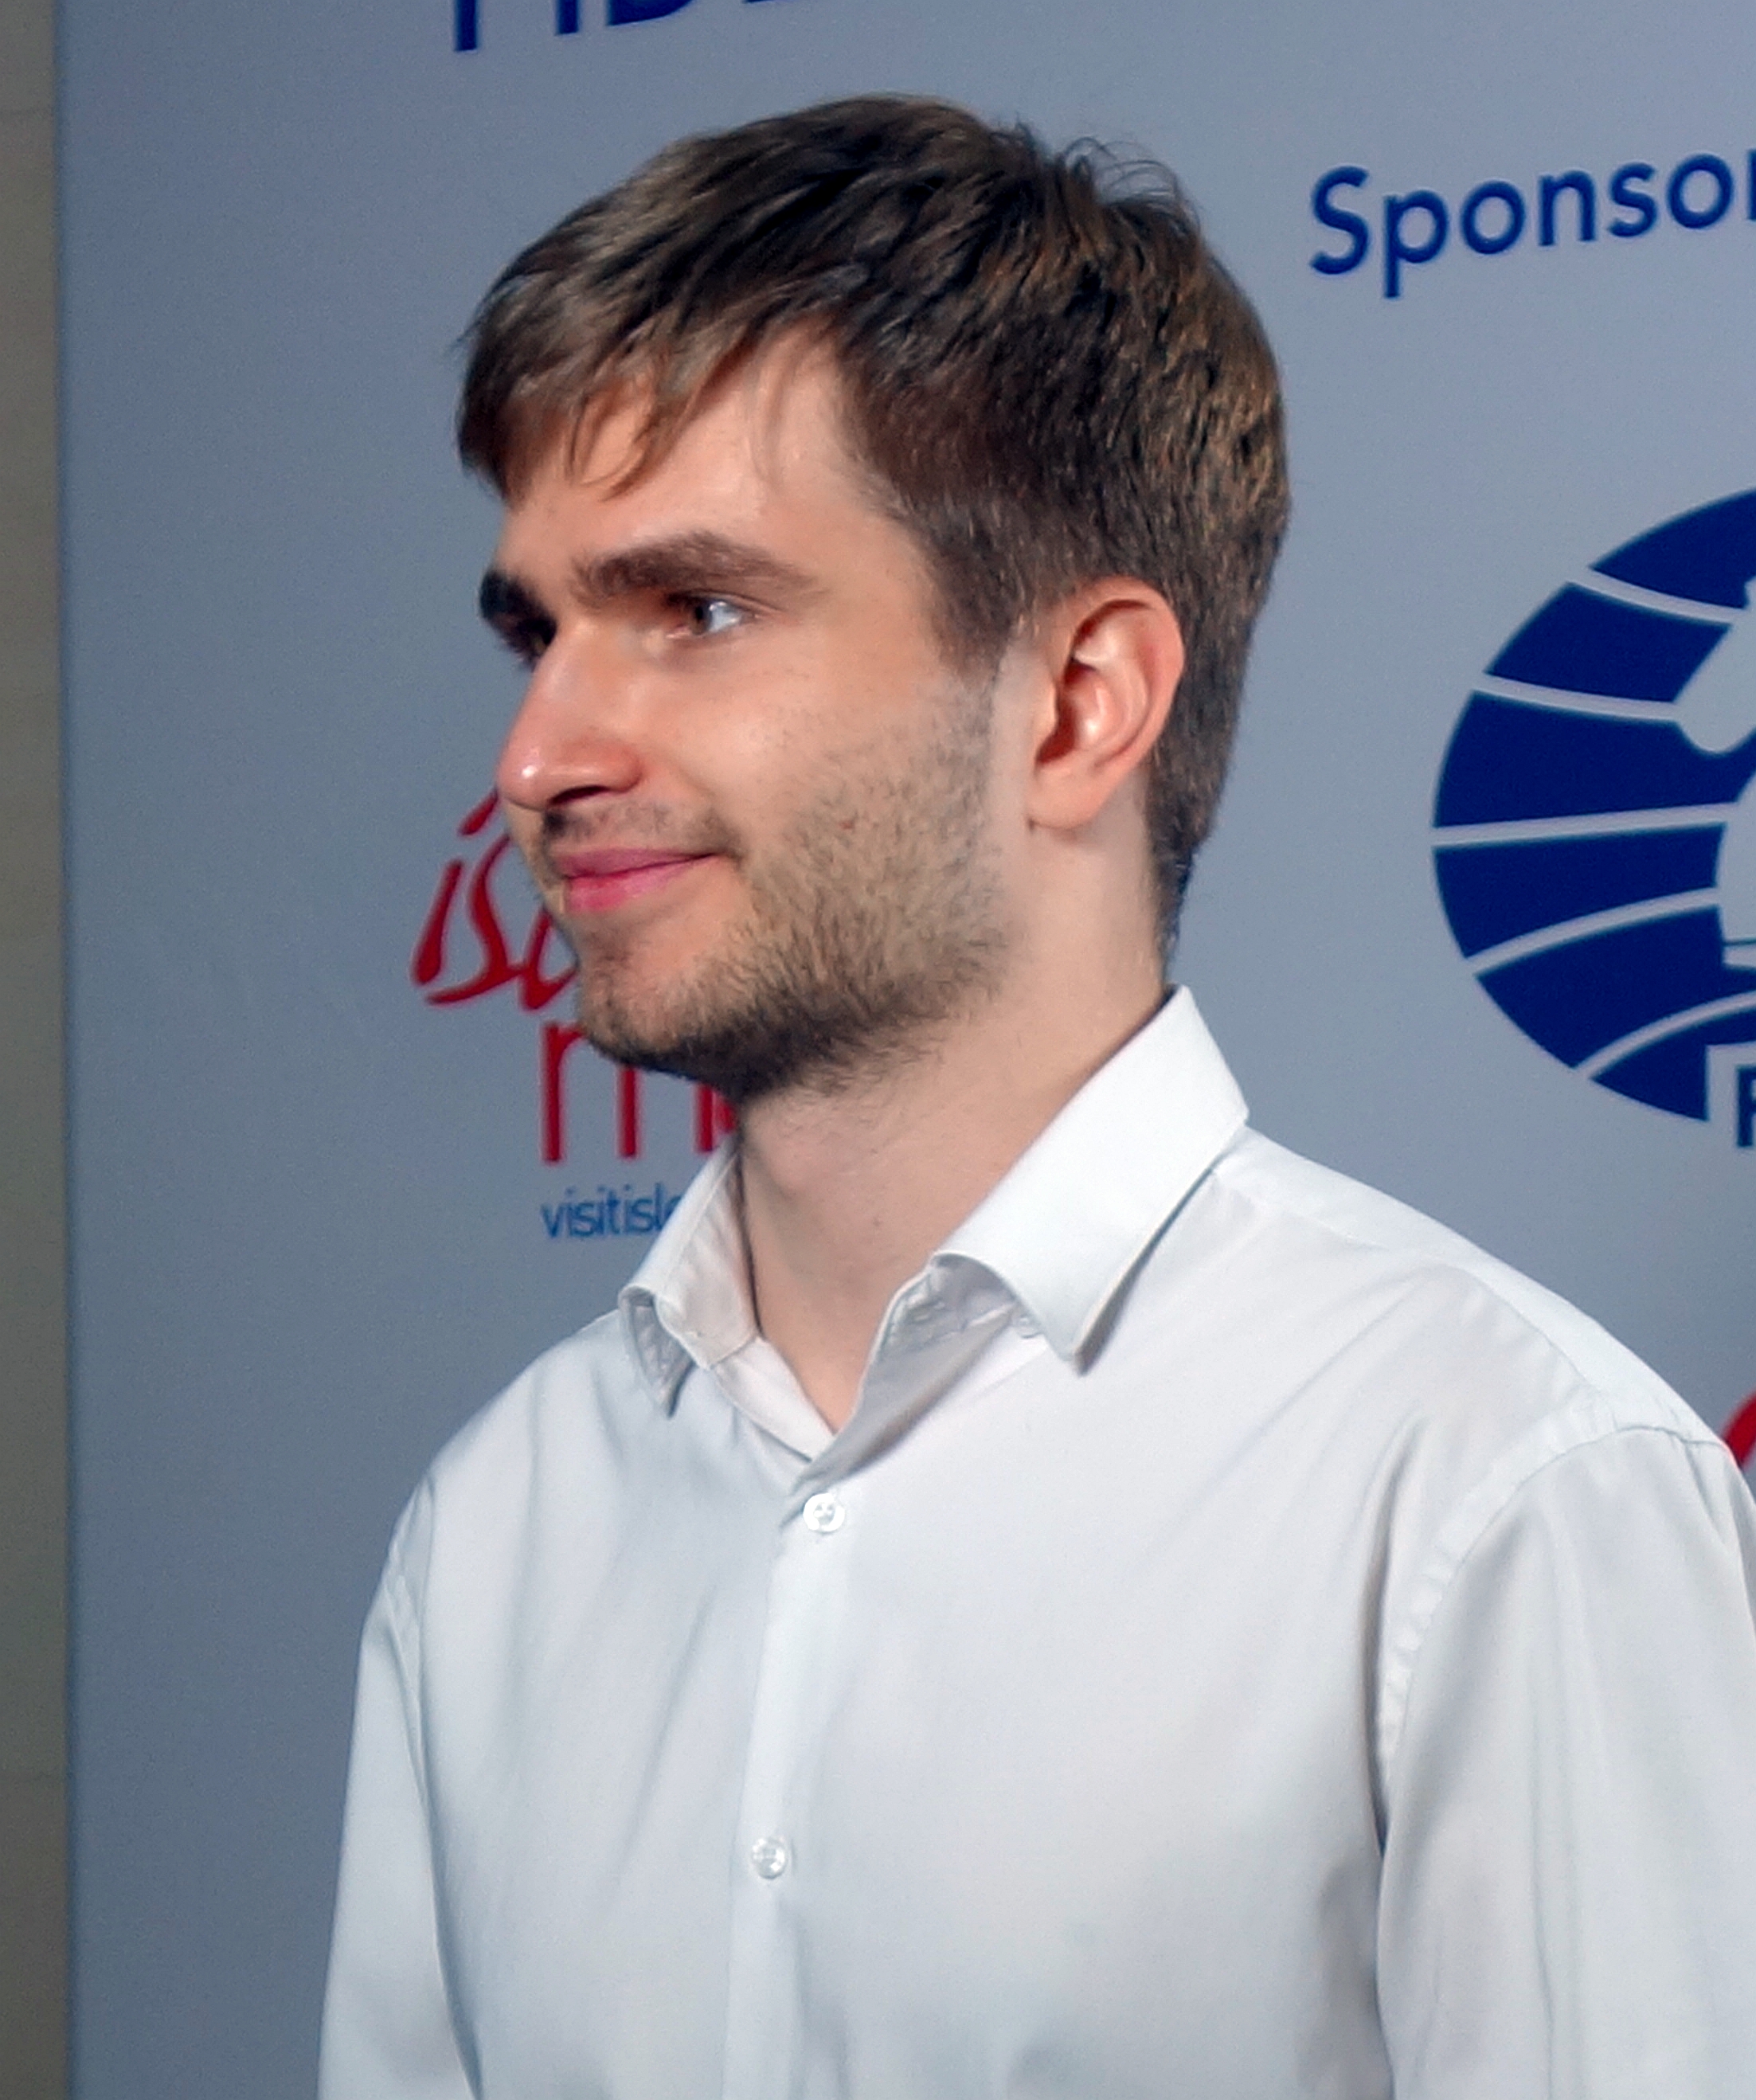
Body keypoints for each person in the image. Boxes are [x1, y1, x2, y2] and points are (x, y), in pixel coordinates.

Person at [320, 96, 1756, 2098]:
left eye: (695, 611)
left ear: (1079, 701)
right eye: (538, 630)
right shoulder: (495, 1529)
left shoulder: (1494, 1487)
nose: (538, 755)